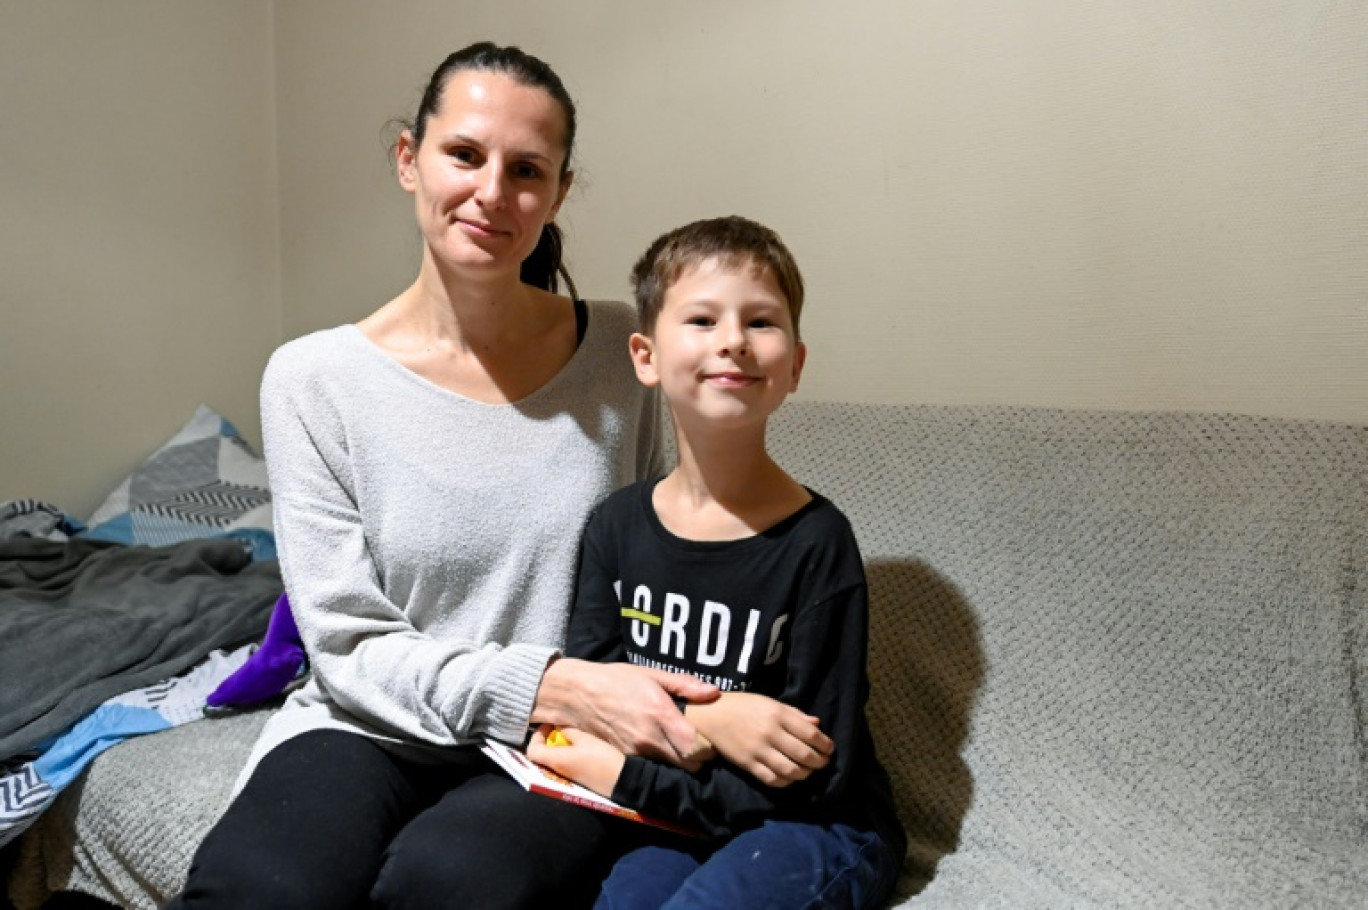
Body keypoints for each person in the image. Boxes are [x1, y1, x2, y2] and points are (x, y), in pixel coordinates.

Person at [167, 45, 827, 910]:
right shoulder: (312, 378)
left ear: (558, 193)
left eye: (526, 170)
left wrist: (690, 710)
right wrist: (549, 681)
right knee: (262, 889)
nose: (491, 192)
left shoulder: (623, 350)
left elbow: (670, 542)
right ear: (410, 159)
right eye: (464, 155)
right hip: (367, 725)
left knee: (454, 884)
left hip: (558, 741)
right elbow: (346, 644)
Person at [527, 216, 907, 909]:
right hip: (678, 818)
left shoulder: (819, 543)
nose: (732, 339)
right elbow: (588, 708)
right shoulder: (614, 528)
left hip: (814, 825)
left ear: (793, 364)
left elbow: (818, 774)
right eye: (701, 319)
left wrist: (625, 776)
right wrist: (714, 719)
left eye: (760, 321)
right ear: (645, 355)